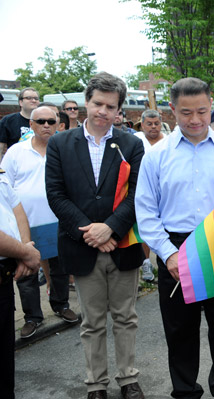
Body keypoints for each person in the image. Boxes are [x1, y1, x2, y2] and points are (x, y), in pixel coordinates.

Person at [135, 77, 214, 399]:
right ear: (171, 110)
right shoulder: (156, 157)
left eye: (201, 111)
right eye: (185, 113)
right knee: (180, 331)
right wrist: (169, 254)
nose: (195, 120)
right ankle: (185, 392)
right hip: (175, 247)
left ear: (212, 104)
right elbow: (146, 213)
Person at [46, 72, 146, 399]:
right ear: (86, 103)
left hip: (122, 246)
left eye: (110, 106)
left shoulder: (131, 144)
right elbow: (57, 195)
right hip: (82, 246)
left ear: (119, 110)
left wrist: (112, 228)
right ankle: (96, 384)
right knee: (92, 323)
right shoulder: (61, 143)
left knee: (126, 318)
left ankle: (128, 378)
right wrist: (92, 233)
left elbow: (137, 194)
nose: (102, 111)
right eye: (97, 103)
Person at [1, 106, 78, 340]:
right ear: (31, 125)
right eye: (40, 121)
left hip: (57, 221)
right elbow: (8, 190)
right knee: (26, 271)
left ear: (58, 125)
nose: (46, 125)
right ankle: (32, 317)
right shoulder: (16, 152)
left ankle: (61, 305)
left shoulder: (64, 149)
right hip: (26, 224)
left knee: (60, 268)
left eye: (51, 121)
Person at [0, 169, 41, 399]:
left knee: (5, 367)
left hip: (6, 277)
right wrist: (26, 252)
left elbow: (17, 210)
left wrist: (25, 247)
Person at [133, 109, 166, 282]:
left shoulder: (168, 142)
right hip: (142, 190)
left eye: (156, 123)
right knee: (143, 227)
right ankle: (146, 261)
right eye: (149, 124)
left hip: (164, 193)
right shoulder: (135, 140)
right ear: (142, 124)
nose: (153, 127)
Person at [0, 87, 40, 161]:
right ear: (20, 102)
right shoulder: (8, 120)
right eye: (29, 98)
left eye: (36, 98)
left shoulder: (45, 121)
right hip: (16, 164)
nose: (33, 100)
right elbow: (1, 147)